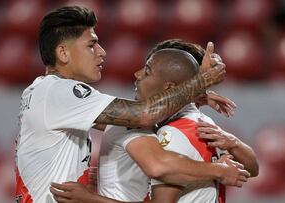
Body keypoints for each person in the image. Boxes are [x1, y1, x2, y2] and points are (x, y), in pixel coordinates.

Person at [15, 5, 238, 203]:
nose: (101, 52)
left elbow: (129, 120)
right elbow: (142, 115)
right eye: (91, 45)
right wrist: (201, 82)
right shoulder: (60, 91)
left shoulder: (44, 92)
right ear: (63, 52)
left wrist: (192, 97)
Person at [49, 40, 258, 203]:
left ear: (170, 87)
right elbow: (251, 169)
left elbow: (159, 172)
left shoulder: (172, 135)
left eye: (148, 71)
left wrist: (89, 199)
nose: (137, 75)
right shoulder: (203, 124)